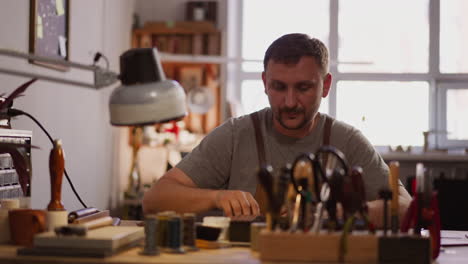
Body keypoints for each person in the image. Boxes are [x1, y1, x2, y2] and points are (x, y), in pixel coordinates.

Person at [143, 33, 411, 226]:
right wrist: (217, 197)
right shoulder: (237, 135)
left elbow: (406, 206)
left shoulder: (347, 140)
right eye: (279, 87)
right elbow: (155, 200)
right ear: (264, 82)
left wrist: (346, 211)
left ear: (326, 85)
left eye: (304, 88)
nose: (290, 102)